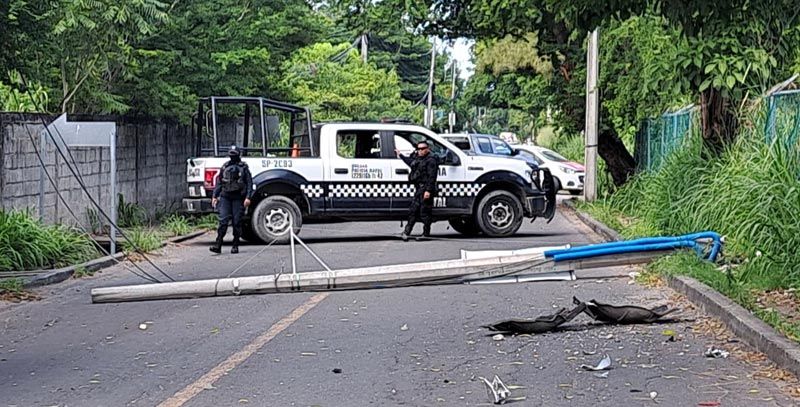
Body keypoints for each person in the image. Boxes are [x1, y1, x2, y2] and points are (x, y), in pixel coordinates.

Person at [210, 145, 253, 254]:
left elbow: (249, 183)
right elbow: (220, 182)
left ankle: (235, 245)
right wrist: (215, 196)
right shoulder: (225, 166)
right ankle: (218, 244)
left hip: (238, 197)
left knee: (237, 222)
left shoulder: (243, 167)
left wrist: (248, 197)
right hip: (225, 196)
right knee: (223, 221)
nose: (232, 156)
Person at [396, 140, 439, 241]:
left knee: (425, 213)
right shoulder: (418, 159)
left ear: (427, 149)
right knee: (413, 211)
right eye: (418, 149)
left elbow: (432, 177)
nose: (420, 151)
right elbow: (410, 162)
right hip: (419, 189)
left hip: (426, 189)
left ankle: (426, 234)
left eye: (422, 149)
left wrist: (428, 191)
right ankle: (406, 232)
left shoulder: (431, 161)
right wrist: (400, 155)